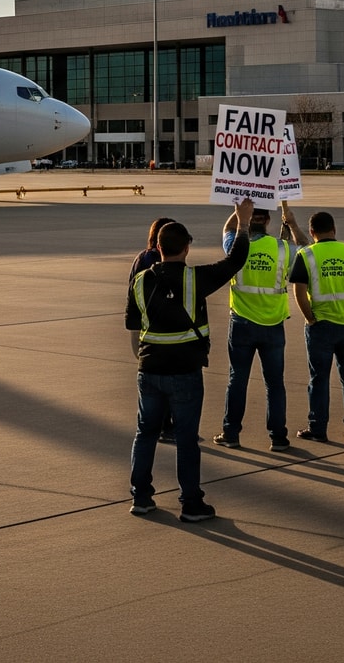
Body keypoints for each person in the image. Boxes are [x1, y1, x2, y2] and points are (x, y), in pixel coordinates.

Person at [126, 198, 253, 522]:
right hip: (184, 371)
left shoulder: (140, 281)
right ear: (186, 248)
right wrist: (242, 221)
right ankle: (191, 502)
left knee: (145, 434)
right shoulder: (195, 279)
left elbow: (132, 326)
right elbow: (235, 260)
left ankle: (141, 497)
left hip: (149, 368)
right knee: (186, 440)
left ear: (158, 247)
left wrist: (142, 357)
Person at [214, 203, 303, 451]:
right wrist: (292, 224)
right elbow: (306, 250)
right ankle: (278, 437)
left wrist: (240, 212)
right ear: (267, 222)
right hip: (273, 324)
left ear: (251, 219)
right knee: (274, 384)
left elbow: (227, 228)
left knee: (237, 380)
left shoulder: (236, 246)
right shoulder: (282, 248)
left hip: (242, 321)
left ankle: (231, 433)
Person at [289, 211, 344, 441]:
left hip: (321, 325)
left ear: (312, 232)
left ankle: (318, 428)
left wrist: (309, 317)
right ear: (334, 229)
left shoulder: (307, 254)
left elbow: (298, 290)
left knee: (319, 379)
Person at [130, 217, 177, 443]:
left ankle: (154, 425)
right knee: (168, 380)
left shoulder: (141, 258)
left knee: (150, 383)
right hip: (159, 330)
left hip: (142, 327)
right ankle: (166, 426)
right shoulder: (164, 261)